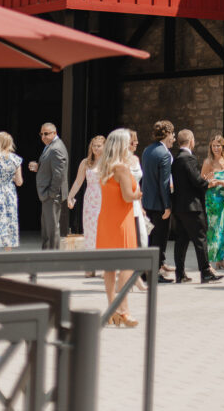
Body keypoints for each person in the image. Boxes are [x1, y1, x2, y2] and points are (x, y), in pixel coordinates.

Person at [96, 129, 141, 327]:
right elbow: (128, 196)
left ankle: (112, 308)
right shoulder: (122, 167)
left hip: (106, 219)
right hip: (122, 220)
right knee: (127, 266)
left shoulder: (105, 166)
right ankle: (124, 311)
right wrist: (139, 190)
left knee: (109, 267)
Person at [172, 129, 224, 284]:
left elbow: (187, 181)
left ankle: (180, 273)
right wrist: (208, 183)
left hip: (180, 206)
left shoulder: (177, 159)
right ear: (191, 140)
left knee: (181, 240)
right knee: (201, 238)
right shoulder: (189, 158)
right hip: (192, 207)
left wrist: (202, 179)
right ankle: (205, 271)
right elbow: (196, 181)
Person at [141, 120, 175, 283]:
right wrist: (167, 205)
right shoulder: (164, 154)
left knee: (149, 238)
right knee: (159, 239)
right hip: (160, 203)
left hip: (148, 200)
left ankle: (143, 271)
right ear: (167, 134)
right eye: (172, 133)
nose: (173, 137)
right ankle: (154, 272)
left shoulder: (147, 151)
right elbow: (164, 182)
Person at [28, 122, 69, 250]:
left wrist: (51, 193)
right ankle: (46, 257)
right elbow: (51, 168)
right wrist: (39, 167)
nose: (43, 137)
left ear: (54, 133)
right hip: (48, 195)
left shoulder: (56, 148)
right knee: (47, 229)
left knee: (51, 229)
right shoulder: (50, 146)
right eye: (41, 134)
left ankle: (52, 259)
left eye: (46, 134)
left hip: (51, 195)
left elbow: (59, 174)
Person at [68, 134, 106, 270]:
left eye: (99, 146)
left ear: (104, 147)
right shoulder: (86, 162)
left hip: (104, 198)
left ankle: (102, 263)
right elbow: (78, 181)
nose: (96, 148)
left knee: (102, 230)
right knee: (90, 230)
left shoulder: (108, 162)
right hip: (90, 199)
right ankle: (90, 264)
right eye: (94, 146)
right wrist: (70, 196)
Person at [202, 134, 224, 269]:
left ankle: (220, 260)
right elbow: (202, 183)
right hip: (212, 199)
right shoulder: (208, 162)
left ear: (223, 147)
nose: (216, 148)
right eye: (214, 145)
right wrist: (221, 182)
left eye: (218, 145)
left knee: (221, 229)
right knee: (212, 229)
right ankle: (209, 261)